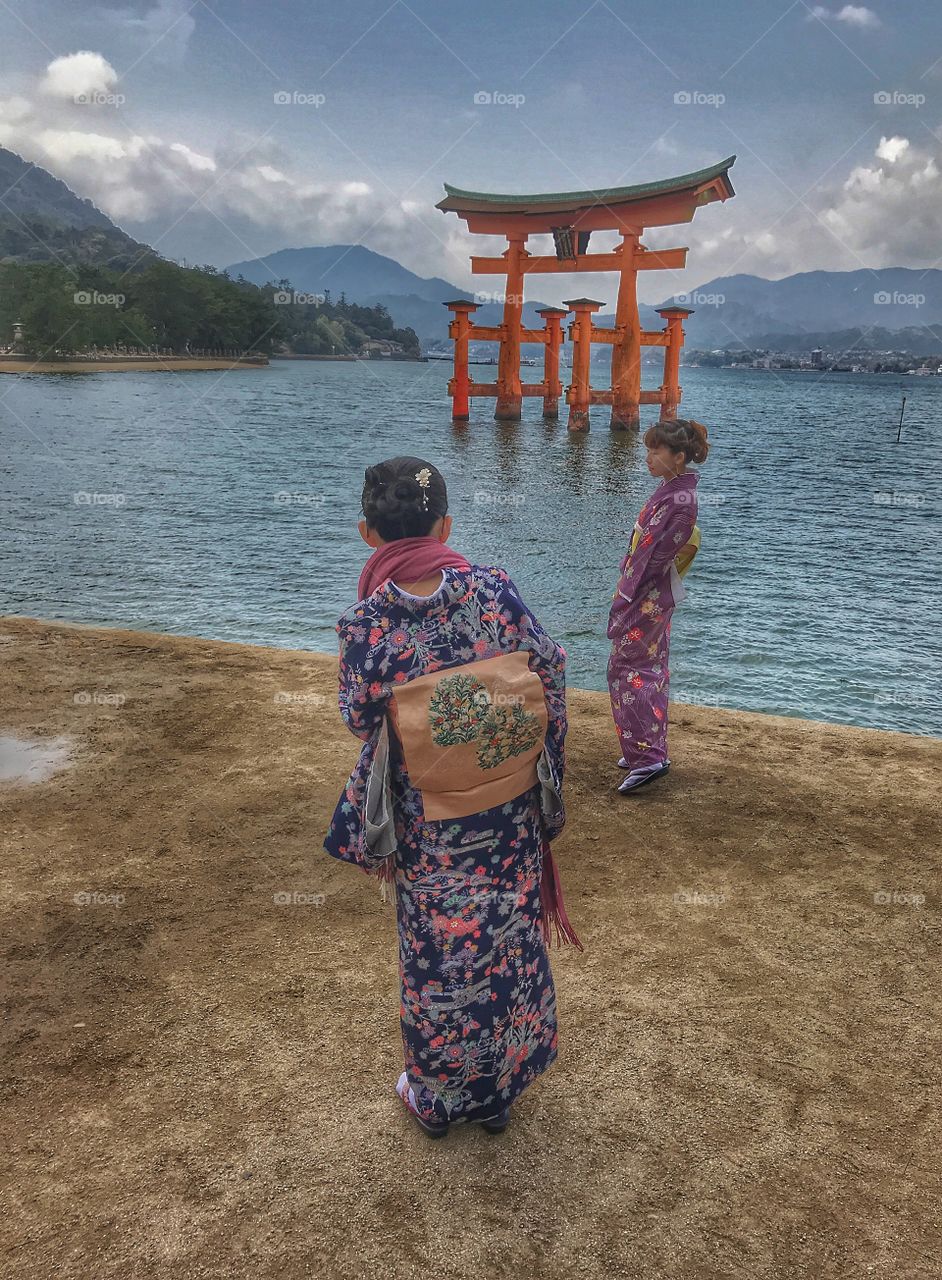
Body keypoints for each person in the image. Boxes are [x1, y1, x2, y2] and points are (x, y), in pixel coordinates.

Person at [324, 455, 580, 1139]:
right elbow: (549, 667)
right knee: (508, 940)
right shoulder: (495, 590)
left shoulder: (366, 624)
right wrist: (538, 759)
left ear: (367, 534)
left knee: (441, 955)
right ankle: (498, 1093)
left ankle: (437, 1099)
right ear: (446, 523)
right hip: (506, 808)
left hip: (430, 821)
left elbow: (359, 717)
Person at [607, 418, 709, 794]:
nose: (648, 457)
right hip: (650, 594)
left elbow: (650, 560)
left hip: (647, 596)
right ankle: (641, 746)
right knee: (646, 667)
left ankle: (648, 756)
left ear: (679, 457)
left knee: (629, 669)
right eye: (648, 449)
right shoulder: (671, 493)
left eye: (656, 450)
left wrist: (624, 601)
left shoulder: (678, 501)